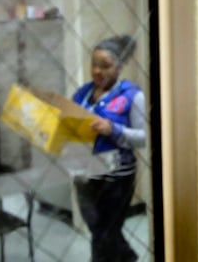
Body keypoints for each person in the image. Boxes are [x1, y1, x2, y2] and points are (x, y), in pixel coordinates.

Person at [72, 35, 146, 262]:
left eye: (105, 66)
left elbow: (143, 138)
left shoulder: (132, 95)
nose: (97, 71)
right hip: (84, 171)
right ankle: (129, 258)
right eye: (94, 64)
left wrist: (112, 129)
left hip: (116, 175)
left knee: (105, 232)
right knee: (99, 229)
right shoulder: (82, 93)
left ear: (119, 67)